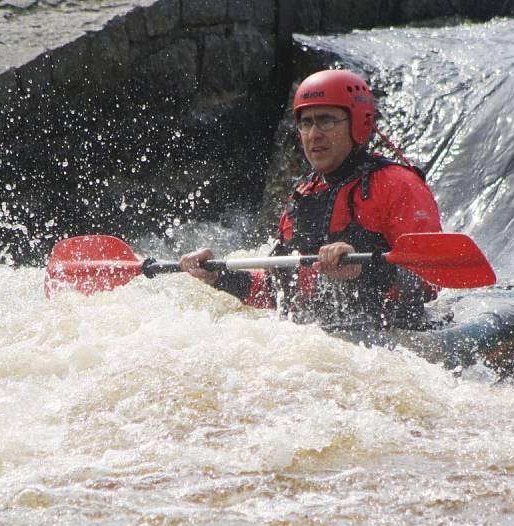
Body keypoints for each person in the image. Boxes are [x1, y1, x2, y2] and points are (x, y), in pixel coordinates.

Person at [180, 69, 443, 330]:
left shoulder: (399, 185)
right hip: (319, 347)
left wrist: (362, 268)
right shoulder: (303, 195)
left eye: (326, 120)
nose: (313, 134)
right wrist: (218, 276)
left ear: (359, 122)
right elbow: (277, 292)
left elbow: (430, 282)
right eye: (306, 123)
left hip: (393, 341)